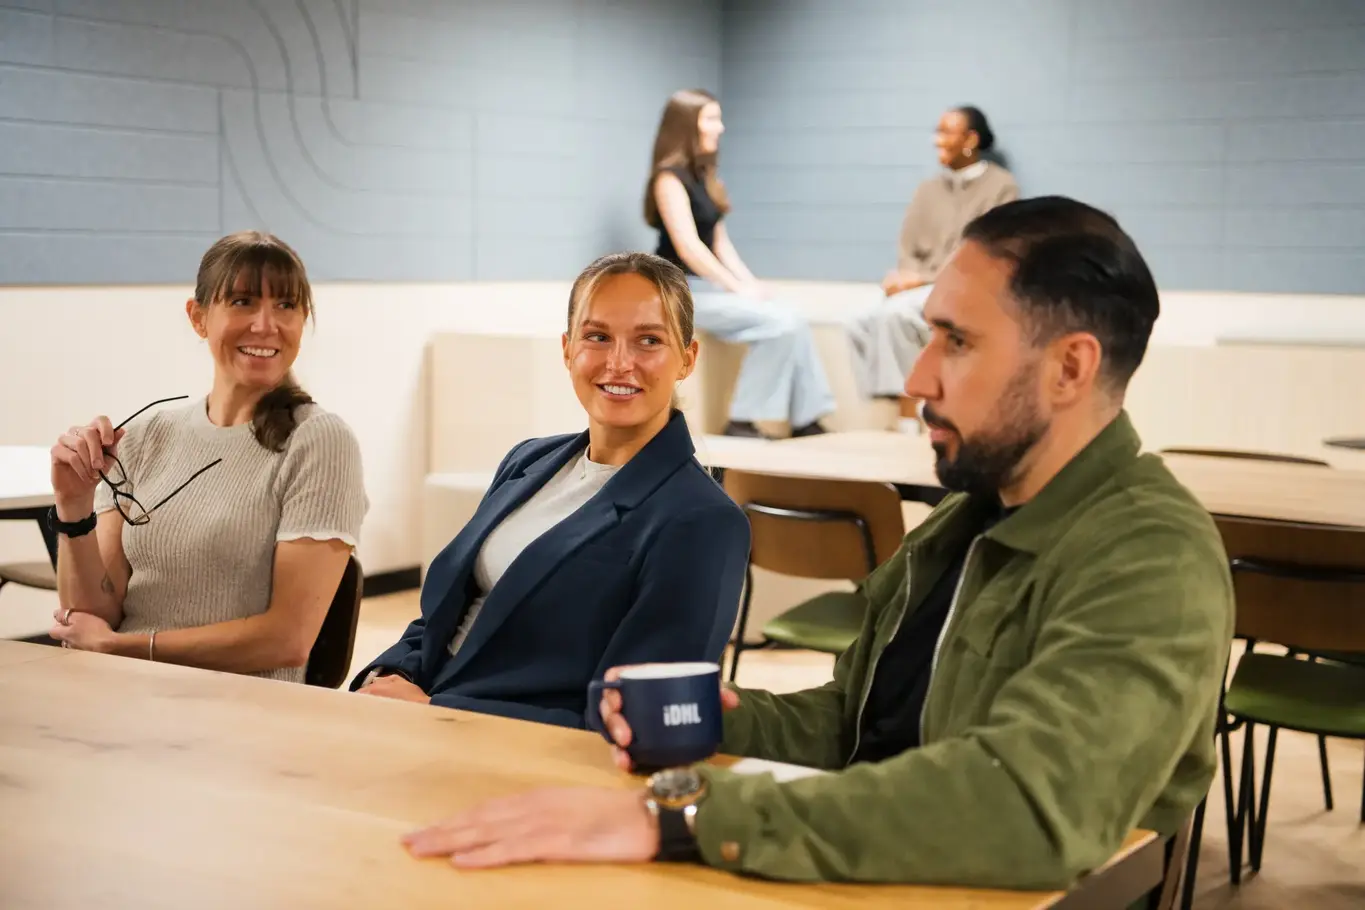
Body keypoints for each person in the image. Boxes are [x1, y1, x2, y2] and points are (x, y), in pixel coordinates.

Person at [398, 198, 1236, 896]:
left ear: (1070, 368)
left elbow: (1025, 806)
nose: (917, 379)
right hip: (886, 873)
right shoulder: (965, 521)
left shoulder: (1150, 556)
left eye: (956, 341)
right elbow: (854, 723)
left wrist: (685, 816)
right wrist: (720, 719)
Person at [351, 252, 750, 728]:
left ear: (686, 359)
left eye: (649, 340)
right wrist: (389, 673)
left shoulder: (703, 521)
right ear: (567, 349)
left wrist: (436, 711)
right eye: (597, 337)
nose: (619, 363)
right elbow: (444, 619)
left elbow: (637, 717)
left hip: (516, 753)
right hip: (415, 722)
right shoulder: (530, 460)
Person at [46, 231, 368, 683]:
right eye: (242, 302)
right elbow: (94, 615)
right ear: (198, 318)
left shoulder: (319, 442)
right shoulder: (144, 438)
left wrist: (124, 648)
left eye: (285, 305)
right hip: (125, 693)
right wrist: (74, 504)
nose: (265, 325)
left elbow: (287, 639)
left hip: (240, 708)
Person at [647, 88, 835, 439]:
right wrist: (735, 288)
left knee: (792, 317)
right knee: (779, 325)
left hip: (708, 287)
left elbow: (720, 244)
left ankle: (806, 419)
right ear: (688, 125)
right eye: (711, 119)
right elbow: (689, 248)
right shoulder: (668, 179)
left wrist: (750, 285)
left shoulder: (706, 176)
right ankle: (742, 421)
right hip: (679, 294)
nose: (720, 127)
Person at [847, 105, 1020, 428]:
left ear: (971, 139)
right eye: (937, 132)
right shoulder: (927, 189)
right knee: (858, 322)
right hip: (920, 287)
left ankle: (907, 416)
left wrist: (921, 279)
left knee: (895, 315)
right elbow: (907, 245)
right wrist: (905, 277)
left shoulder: (1001, 187)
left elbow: (988, 254)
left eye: (946, 132)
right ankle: (891, 403)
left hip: (968, 289)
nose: (937, 140)